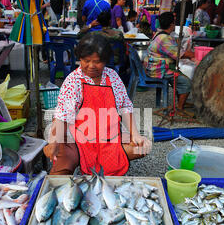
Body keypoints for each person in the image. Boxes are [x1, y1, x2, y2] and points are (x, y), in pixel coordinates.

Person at [43, 33, 151, 176]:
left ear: (105, 61)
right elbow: (63, 114)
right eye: (86, 60)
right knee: (59, 170)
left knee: (142, 147)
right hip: (80, 142)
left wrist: (135, 135)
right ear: (79, 58)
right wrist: (54, 142)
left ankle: (108, 172)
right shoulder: (73, 81)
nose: (91, 66)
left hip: (110, 140)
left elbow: (125, 107)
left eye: (97, 61)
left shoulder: (112, 77)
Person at [144, 12, 194, 116]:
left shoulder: (158, 34)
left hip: (153, 66)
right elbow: (179, 54)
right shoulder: (165, 38)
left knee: (180, 75)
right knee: (186, 82)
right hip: (158, 69)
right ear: (171, 25)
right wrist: (194, 54)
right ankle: (180, 108)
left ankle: (181, 101)